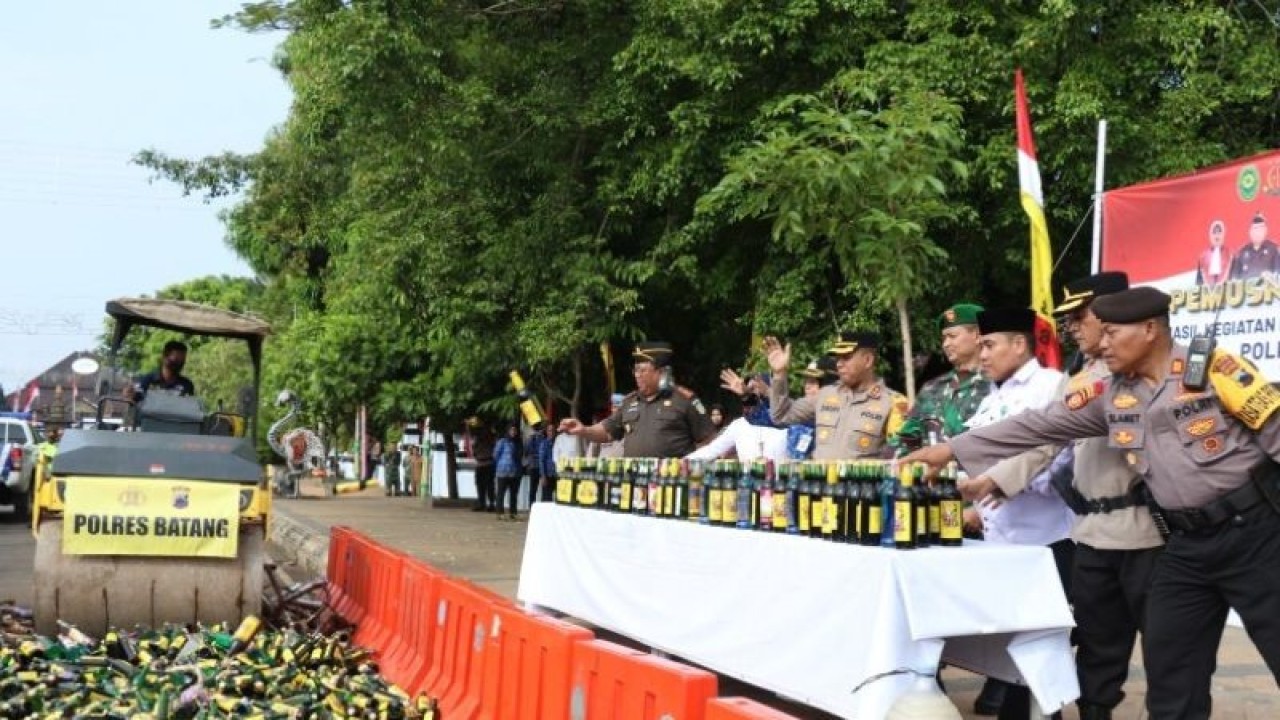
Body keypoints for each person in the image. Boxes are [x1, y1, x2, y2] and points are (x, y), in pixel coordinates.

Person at [905, 286, 1280, 720]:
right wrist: (949, 450)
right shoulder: (1109, 394)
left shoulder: (1213, 367)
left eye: (1111, 333)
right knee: (1171, 669)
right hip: (1186, 547)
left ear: (1149, 329)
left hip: (1254, 535)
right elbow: (1037, 426)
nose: (1100, 344)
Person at [1050, 270, 1177, 720]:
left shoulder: (1144, 371)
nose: (1073, 327)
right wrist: (990, 479)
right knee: (1097, 647)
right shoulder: (1079, 378)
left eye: (1079, 316)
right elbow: (1044, 437)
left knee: (1167, 646)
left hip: (1147, 534)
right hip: (1092, 533)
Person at [954, 307, 1075, 720]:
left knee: (1040, 654)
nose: (982, 354)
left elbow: (1060, 459)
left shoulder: (1052, 386)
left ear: (1019, 344)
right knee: (1008, 657)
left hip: (1044, 542)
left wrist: (1003, 482)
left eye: (989, 344)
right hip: (998, 542)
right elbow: (973, 453)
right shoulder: (994, 397)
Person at [763, 331, 909, 460]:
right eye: (838, 358)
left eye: (846, 357)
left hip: (860, 489)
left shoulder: (894, 403)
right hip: (818, 488)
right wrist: (779, 374)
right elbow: (780, 416)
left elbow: (901, 459)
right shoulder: (825, 395)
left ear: (868, 360)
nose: (839, 364)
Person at [559, 341, 718, 458]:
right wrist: (583, 430)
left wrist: (693, 469)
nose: (637, 375)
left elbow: (709, 440)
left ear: (661, 372)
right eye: (635, 370)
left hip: (671, 486)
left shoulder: (684, 400)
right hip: (635, 487)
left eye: (643, 370)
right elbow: (607, 432)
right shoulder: (630, 402)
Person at [895, 303, 990, 450]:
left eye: (952, 336)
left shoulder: (997, 385)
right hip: (931, 473)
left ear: (977, 336)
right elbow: (905, 441)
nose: (946, 344)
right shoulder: (932, 389)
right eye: (944, 338)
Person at [786, 357, 838, 459]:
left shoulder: (839, 419)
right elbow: (774, 418)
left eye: (813, 382)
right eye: (806, 382)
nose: (807, 387)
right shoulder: (801, 415)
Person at [1229, 212, 1278, 280]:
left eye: (1260, 229)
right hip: (1246, 289)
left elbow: (1278, 274)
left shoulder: (1273, 249)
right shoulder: (1242, 252)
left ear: (1265, 231)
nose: (1257, 232)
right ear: (1250, 232)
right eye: (1255, 229)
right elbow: (1234, 277)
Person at [493, 424, 522, 520]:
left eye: (515, 431)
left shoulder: (518, 443)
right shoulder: (502, 441)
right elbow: (496, 455)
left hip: (515, 472)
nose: (513, 432)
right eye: (511, 430)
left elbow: (520, 456)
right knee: (501, 493)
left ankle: (513, 512)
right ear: (508, 431)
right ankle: (500, 512)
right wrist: (501, 464)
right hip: (503, 471)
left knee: (514, 494)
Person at [469, 421, 497, 512]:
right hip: (482, 463)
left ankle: (488, 504)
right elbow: (474, 451)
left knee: (488, 485)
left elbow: (474, 451)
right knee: (482, 485)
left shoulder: (490, 437)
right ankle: (484, 503)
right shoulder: (479, 438)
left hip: (487, 463)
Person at [1195, 219, 1232, 286]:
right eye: (1214, 233)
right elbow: (1199, 283)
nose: (1216, 236)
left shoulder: (1230, 255)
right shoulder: (1203, 257)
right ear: (1210, 235)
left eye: (1219, 232)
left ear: (1224, 234)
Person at [524, 423, 550, 506]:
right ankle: (532, 506)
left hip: (537, 465)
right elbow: (527, 450)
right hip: (535, 466)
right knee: (534, 488)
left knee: (540, 488)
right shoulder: (534, 438)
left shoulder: (540, 438)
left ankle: (533, 507)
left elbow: (527, 451)